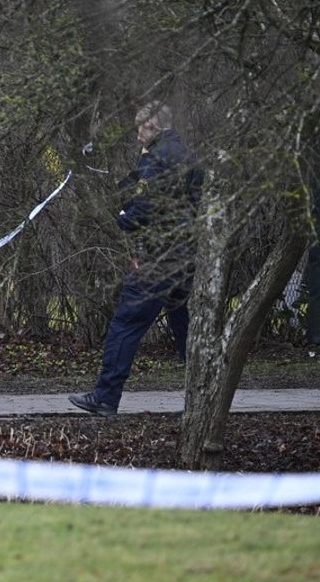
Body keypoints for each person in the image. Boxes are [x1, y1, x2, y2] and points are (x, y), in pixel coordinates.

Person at [70, 101, 202, 417]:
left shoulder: (156, 158)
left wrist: (121, 218)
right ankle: (203, 398)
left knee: (125, 325)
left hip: (159, 259)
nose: (138, 137)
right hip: (185, 255)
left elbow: (144, 208)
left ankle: (104, 398)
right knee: (184, 328)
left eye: (140, 130)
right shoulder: (185, 156)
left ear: (152, 126)